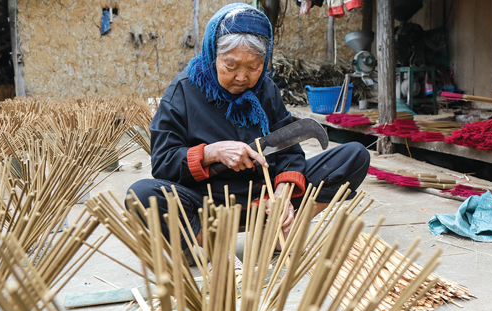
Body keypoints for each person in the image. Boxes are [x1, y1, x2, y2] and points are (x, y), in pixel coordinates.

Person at [128, 3, 370, 248]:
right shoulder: (182, 91)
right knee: (142, 195)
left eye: (253, 67)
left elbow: (289, 152)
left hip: (264, 198)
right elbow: (164, 162)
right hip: (207, 204)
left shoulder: (266, 89)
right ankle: (213, 248)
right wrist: (212, 152)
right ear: (213, 54)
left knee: (354, 156)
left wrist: (283, 192)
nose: (242, 77)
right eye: (230, 65)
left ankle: (279, 228)